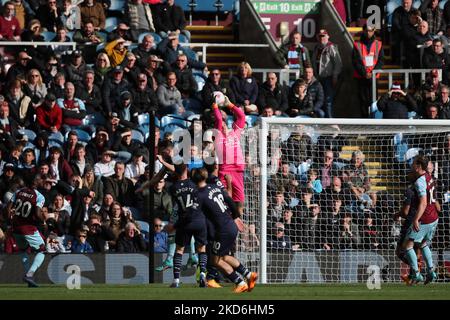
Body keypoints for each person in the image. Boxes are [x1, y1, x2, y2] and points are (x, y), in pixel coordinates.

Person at [192, 167, 257, 293]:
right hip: (231, 225)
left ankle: (240, 282)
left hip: (222, 230)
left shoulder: (200, 195)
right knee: (225, 256)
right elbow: (230, 200)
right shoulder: (216, 188)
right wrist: (236, 216)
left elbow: (195, 215)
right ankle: (249, 275)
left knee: (215, 260)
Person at [166, 163, 208, 288]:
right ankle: (202, 276)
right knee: (201, 249)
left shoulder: (173, 188)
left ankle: (176, 280)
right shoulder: (195, 184)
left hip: (183, 222)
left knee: (179, 250)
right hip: (199, 219)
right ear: (186, 170)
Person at [403, 155, 440, 284]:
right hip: (434, 217)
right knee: (423, 243)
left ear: (418, 166)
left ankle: (416, 274)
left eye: (414, 163)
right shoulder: (430, 177)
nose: (412, 165)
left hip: (425, 218)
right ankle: (431, 271)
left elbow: (423, 203)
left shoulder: (420, 181)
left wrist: (416, 219)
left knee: (407, 246)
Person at [6, 176, 46, 287]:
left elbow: (8, 208)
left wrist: (10, 220)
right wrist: (43, 221)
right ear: (36, 182)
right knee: (42, 250)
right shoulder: (39, 196)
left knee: (23, 250)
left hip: (16, 227)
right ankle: (29, 274)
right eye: (40, 179)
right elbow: (38, 213)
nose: (42, 181)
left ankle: (29, 279)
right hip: (28, 227)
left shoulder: (18, 192)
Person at [212, 95, 246, 206]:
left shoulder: (235, 133)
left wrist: (230, 105)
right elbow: (218, 118)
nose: (222, 126)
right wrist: (215, 106)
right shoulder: (218, 136)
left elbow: (241, 117)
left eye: (224, 124)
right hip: (225, 170)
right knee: (225, 200)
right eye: (220, 126)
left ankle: (238, 221)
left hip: (238, 170)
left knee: (239, 202)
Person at [352, 24, 384, 117]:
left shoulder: (379, 44)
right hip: (361, 77)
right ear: (363, 31)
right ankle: (364, 121)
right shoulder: (357, 44)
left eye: (370, 30)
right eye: (366, 30)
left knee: (373, 101)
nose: (368, 32)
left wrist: (373, 73)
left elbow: (381, 61)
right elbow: (355, 61)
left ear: (374, 31)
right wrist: (364, 73)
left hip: (374, 77)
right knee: (362, 101)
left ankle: (373, 120)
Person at [311, 29, 343, 118]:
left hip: (328, 78)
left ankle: (330, 122)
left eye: (324, 36)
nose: (322, 38)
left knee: (328, 101)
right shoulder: (317, 47)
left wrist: (335, 75)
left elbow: (338, 63)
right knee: (318, 100)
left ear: (327, 36)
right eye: (320, 36)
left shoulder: (331, 47)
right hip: (318, 78)